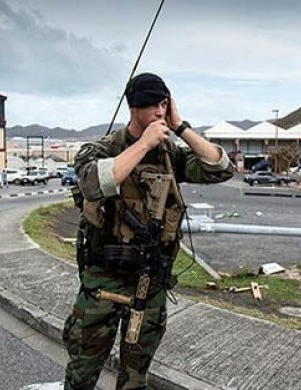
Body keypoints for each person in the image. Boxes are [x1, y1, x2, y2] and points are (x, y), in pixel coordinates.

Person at [62, 72, 234, 389]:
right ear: (133, 107)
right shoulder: (101, 149)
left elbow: (221, 169)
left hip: (150, 280)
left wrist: (181, 127)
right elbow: (92, 183)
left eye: (164, 104)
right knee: (82, 371)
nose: (159, 111)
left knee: (135, 378)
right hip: (103, 279)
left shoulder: (170, 155)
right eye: (153, 104)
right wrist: (144, 143)